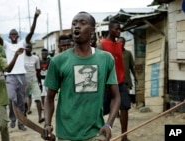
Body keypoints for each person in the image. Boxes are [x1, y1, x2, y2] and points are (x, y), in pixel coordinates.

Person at [42, 11, 120, 141]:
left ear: (92, 30)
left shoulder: (106, 59)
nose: (77, 26)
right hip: (66, 135)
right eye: (74, 23)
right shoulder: (58, 61)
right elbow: (49, 98)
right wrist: (47, 124)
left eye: (82, 23)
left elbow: (116, 96)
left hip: (95, 134)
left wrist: (108, 125)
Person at [0, 7, 41, 131]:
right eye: (11, 35)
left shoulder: (22, 44)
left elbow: (30, 32)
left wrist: (35, 17)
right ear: (9, 36)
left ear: (18, 36)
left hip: (22, 76)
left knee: (21, 101)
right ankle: (13, 118)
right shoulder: (6, 45)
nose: (13, 36)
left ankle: (21, 122)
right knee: (10, 97)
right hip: (11, 76)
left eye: (15, 34)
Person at [99, 20, 131, 141]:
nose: (119, 31)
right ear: (110, 29)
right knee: (102, 110)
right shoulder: (101, 45)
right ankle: (100, 132)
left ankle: (124, 136)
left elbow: (120, 64)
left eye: (120, 29)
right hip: (107, 83)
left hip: (121, 82)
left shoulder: (119, 44)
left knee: (125, 107)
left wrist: (124, 79)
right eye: (116, 29)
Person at [24, 43, 44, 123]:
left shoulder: (35, 58)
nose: (28, 48)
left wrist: (39, 83)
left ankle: (40, 117)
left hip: (34, 80)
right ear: (25, 48)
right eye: (27, 47)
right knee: (24, 100)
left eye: (30, 47)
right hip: (24, 81)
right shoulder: (21, 58)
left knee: (38, 98)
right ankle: (24, 116)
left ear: (32, 49)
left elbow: (38, 71)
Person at [118, 37, 138, 105]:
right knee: (117, 97)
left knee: (125, 96)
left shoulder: (128, 53)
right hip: (116, 79)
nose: (121, 44)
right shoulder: (114, 53)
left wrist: (135, 77)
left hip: (126, 79)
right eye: (119, 42)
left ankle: (123, 111)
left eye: (122, 42)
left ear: (124, 43)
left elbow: (131, 67)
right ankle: (117, 112)